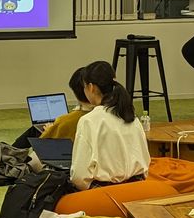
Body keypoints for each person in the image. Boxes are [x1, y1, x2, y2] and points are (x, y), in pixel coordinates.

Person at [70, 61, 150, 191]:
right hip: (138, 187)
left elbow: (79, 177)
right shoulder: (132, 117)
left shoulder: (88, 121)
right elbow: (145, 161)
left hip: (104, 192)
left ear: (91, 87)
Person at [11, 67, 93, 149]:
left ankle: (12, 151)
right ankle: (12, 150)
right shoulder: (98, 113)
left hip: (65, 154)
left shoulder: (65, 121)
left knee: (35, 131)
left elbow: (41, 147)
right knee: (34, 130)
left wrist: (49, 131)